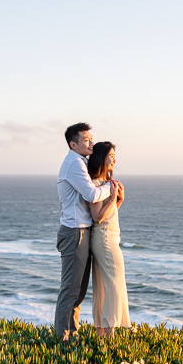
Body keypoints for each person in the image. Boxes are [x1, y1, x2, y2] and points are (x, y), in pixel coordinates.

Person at [54, 123, 119, 341]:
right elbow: (91, 195)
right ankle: (62, 339)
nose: (90, 142)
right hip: (75, 233)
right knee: (71, 290)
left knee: (79, 291)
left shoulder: (80, 162)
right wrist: (111, 187)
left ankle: (72, 335)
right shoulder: (74, 163)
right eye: (85, 140)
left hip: (81, 232)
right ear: (73, 144)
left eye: (91, 138)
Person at [87, 141, 131, 337]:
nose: (114, 159)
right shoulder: (95, 185)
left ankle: (101, 333)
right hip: (104, 239)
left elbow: (108, 215)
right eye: (111, 155)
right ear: (101, 157)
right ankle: (109, 331)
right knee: (114, 284)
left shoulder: (106, 184)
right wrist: (112, 198)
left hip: (108, 237)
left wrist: (118, 201)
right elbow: (97, 217)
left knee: (105, 286)